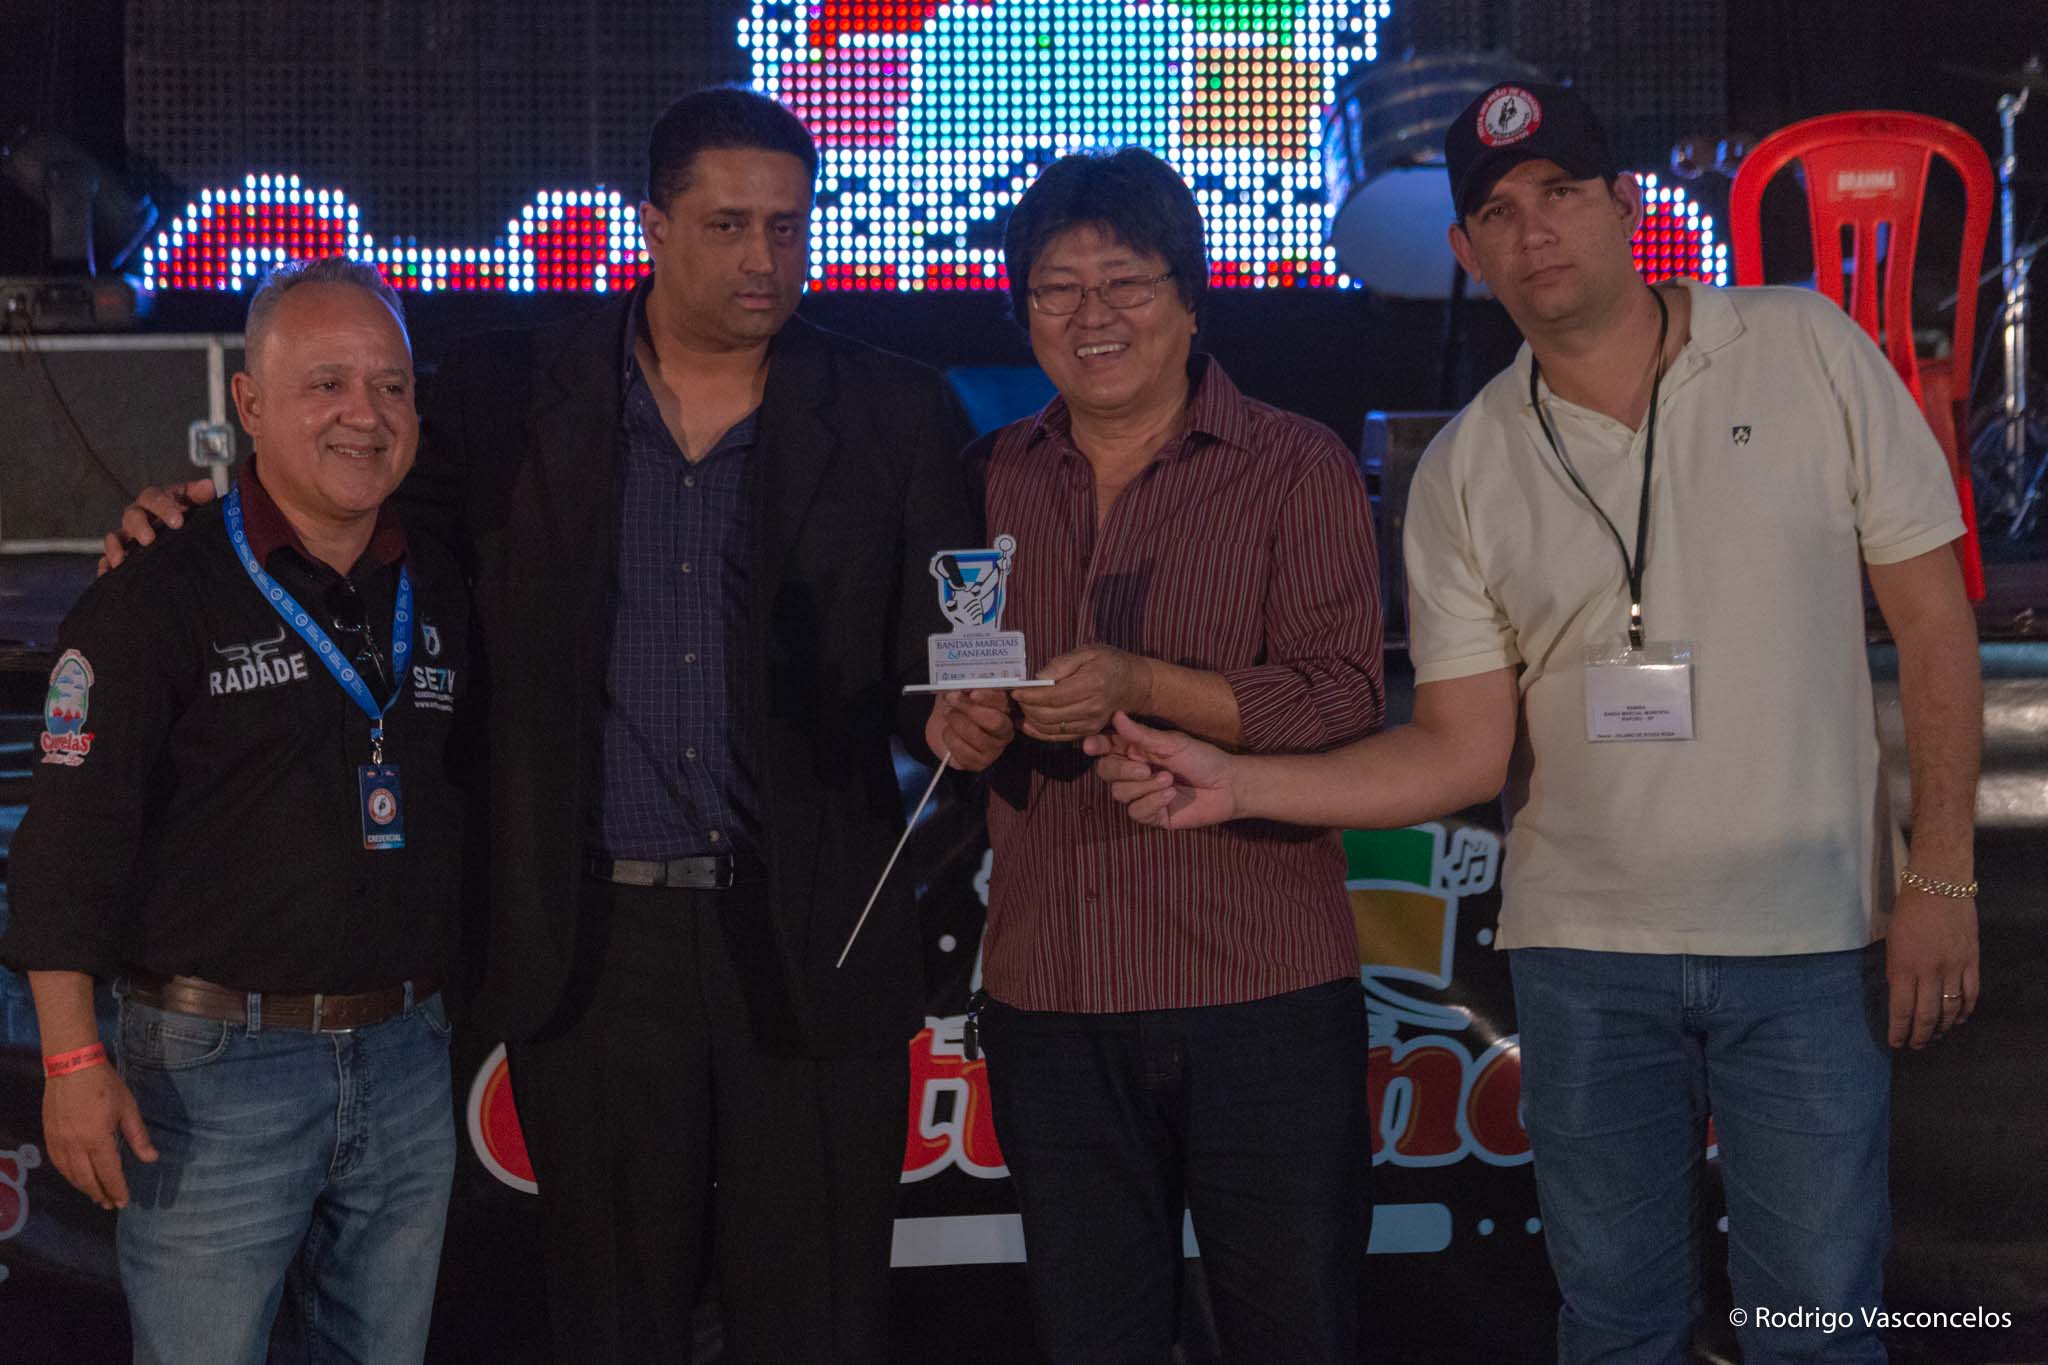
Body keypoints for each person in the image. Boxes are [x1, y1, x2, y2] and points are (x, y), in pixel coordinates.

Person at [1091, 83, 1984, 1364]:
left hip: (1802, 936)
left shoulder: (1803, 346)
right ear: (1465, 249)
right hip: (1583, 963)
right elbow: (1457, 750)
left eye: (1560, 192)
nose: (1534, 230)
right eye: (1498, 212)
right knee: (1614, 1328)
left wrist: (1937, 873)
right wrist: (1235, 783)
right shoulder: (1466, 465)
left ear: (1623, 205)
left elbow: (1934, 623)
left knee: (1815, 1328)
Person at [106, 88, 976, 1362]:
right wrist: (205, 518)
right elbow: (347, 502)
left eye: (789, 227)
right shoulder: (506, 394)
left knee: (820, 1320)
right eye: (728, 224)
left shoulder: (898, 409)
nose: (763, 257)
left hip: (814, 938)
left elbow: (947, 645)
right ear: (652, 227)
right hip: (592, 951)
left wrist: (964, 711)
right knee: (609, 1319)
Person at [924, 146, 1383, 1363]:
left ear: (1188, 298)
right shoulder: (983, 478)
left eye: (1125, 283)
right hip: (1051, 994)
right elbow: (947, 676)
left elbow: (1344, 696)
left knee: (1293, 1334)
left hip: (1259, 989)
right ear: (1023, 310)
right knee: (1091, 1338)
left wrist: (1144, 686)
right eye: (1056, 289)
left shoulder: (1293, 463)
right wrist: (957, 725)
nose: (1093, 316)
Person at [3, 257, 467, 1364]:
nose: (365, 414)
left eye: (391, 386)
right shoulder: (155, 588)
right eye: (327, 384)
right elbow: (63, 846)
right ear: (248, 404)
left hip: (406, 1056)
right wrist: (71, 1063)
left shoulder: (447, 578)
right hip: (213, 1074)